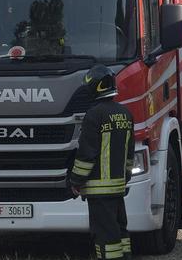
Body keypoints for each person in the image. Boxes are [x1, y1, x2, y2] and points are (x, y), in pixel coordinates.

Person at [68, 65, 135, 260]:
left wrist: (76, 181)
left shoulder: (94, 115)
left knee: (105, 235)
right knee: (120, 230)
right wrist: (125, 176)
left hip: (98, 191)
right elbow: (129, 153)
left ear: (95, 87)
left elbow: (87, 154)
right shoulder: (126, 114)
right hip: (118, 187)